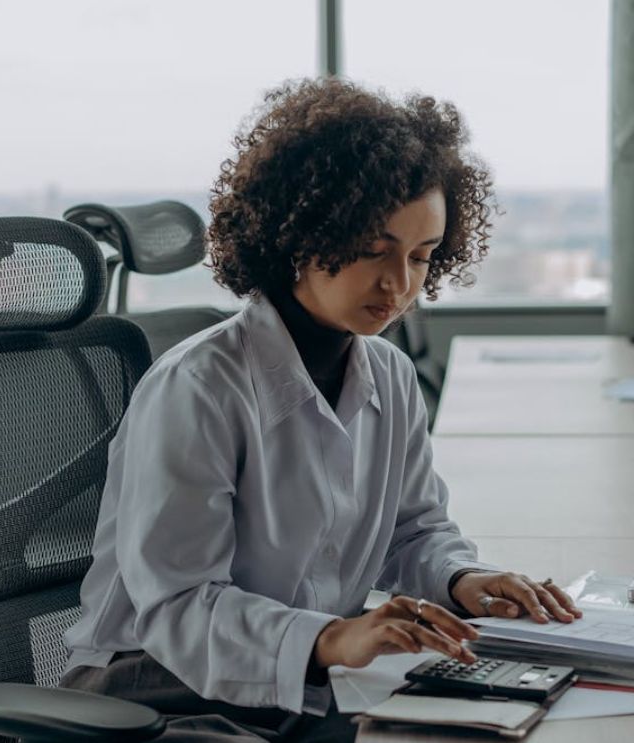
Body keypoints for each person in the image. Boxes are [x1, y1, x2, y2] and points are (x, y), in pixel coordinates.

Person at [60, 78, 582, 742]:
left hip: (300, 678)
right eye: (373, 251)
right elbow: (179, 608)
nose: (399, 284)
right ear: (302, 234)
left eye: (421, 257)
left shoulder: (388, 374)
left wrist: (463, 579)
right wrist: (333, 636)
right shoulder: (198, 387)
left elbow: (412, 529)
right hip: (153, 692)